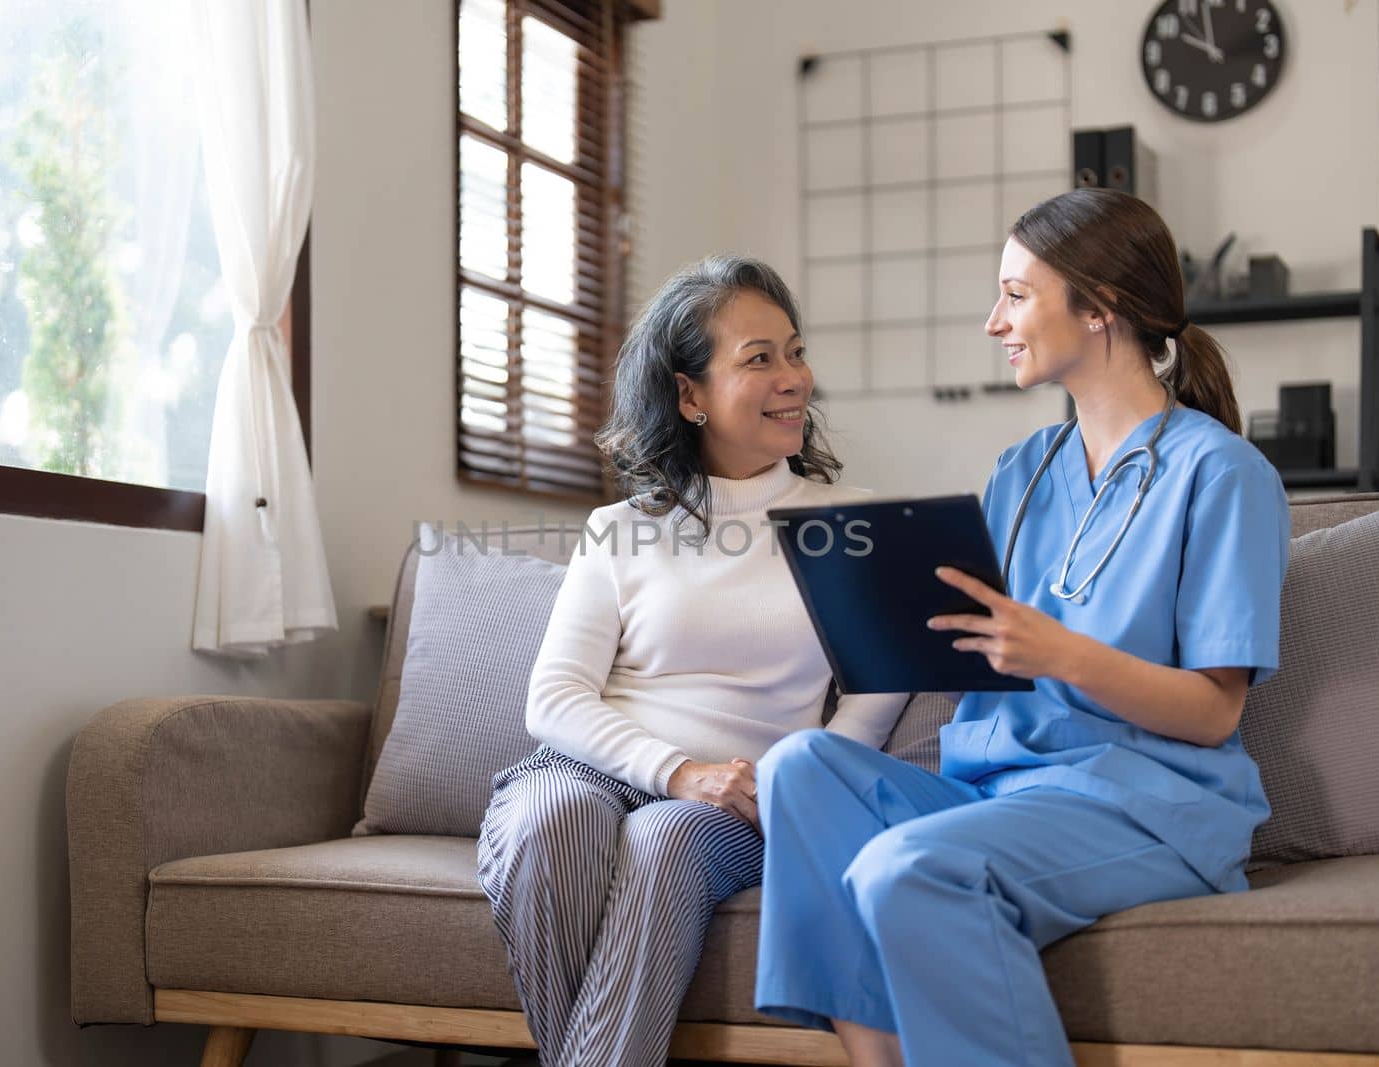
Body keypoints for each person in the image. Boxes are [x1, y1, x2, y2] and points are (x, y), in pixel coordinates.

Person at [753, 188, 1291, 1067]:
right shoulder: (1020, 471)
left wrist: (1059, 652)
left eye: (1016, 293)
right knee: (799, 767)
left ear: (1099, 307)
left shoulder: (1222, 474)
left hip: (1146, 804)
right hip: (995, 792)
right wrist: (881, 615)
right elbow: (977, 648)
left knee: (909, 867)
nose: (993, 320)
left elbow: (1214, 713)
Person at [476, 255, 907, 1067]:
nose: (793, 377)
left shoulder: (848, 525)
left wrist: (783, 785)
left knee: (665, 840)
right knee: (548, 824)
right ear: (689, 395)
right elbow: (555, 698)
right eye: (758, 358)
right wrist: (675, 768)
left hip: (739, 797)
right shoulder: (619, 528)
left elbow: (875, 693)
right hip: (590, 768)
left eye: (795, 351)